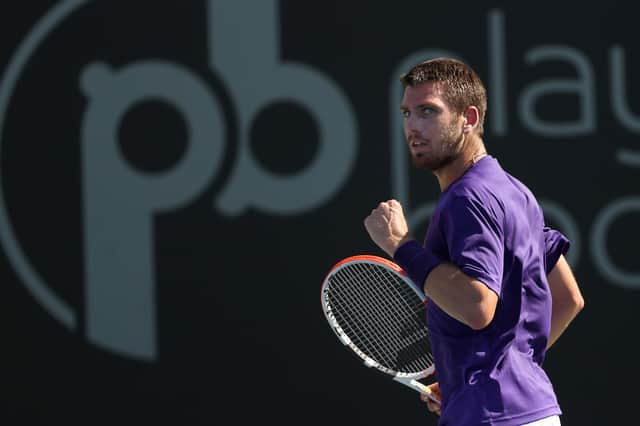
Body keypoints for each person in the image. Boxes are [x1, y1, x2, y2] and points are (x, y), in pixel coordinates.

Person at [363, 57, 584, 426]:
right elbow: (568, 298)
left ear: (468, 118)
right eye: (407, 113)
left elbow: (479, 306)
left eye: (428, 112)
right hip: (533, 410)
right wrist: (486, 376)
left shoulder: (468, 198)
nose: (413, 127)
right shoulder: (515, 191)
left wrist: (401, 245)